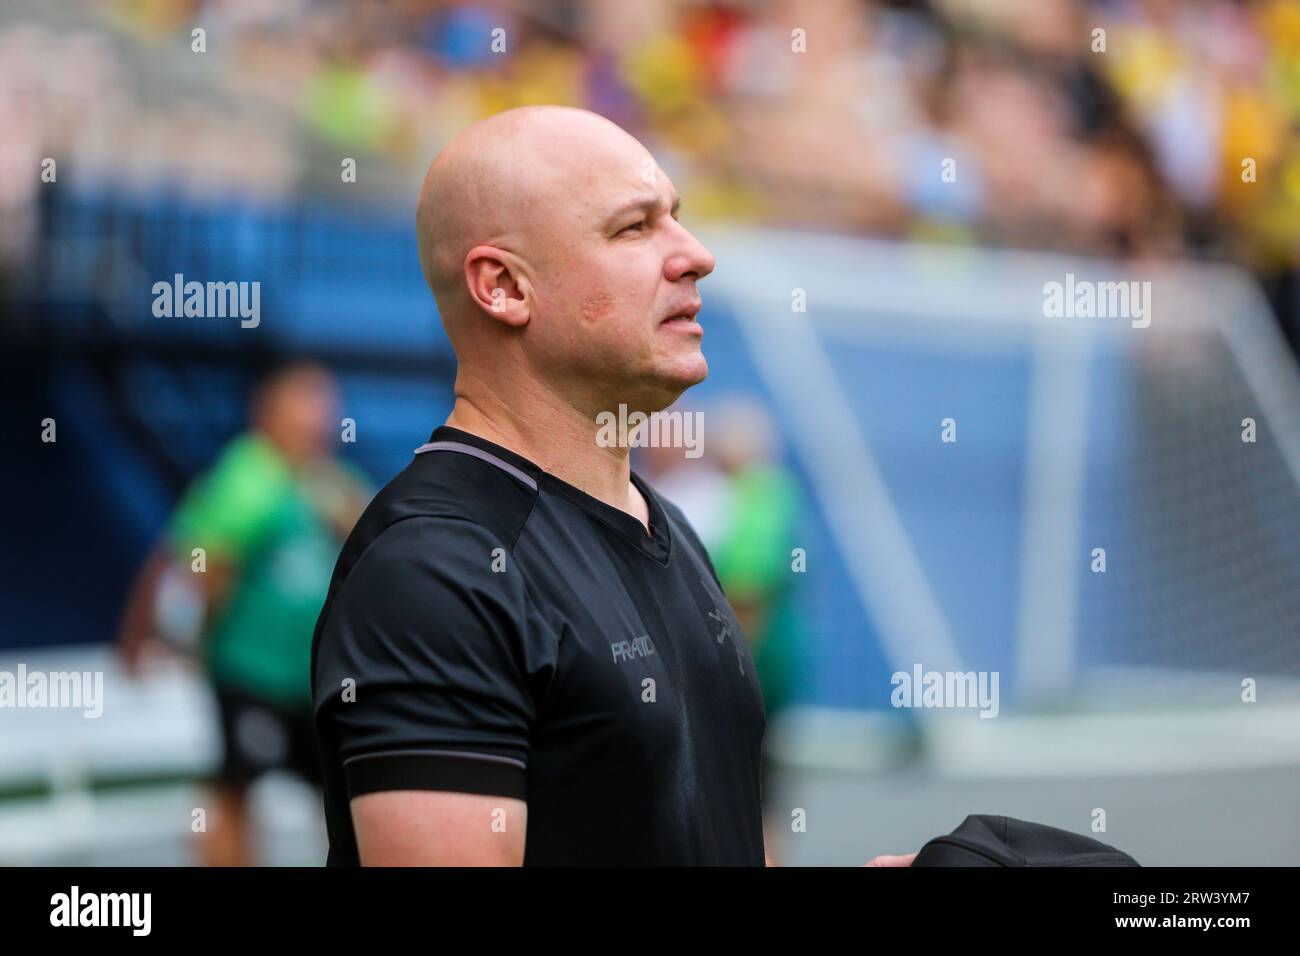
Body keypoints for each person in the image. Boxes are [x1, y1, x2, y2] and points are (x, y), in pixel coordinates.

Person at [311, 105, 915, 866]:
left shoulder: (668, 529)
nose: (695, 254)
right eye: (635, 228)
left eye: (678, 218)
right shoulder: (437, 569)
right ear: (503, 286)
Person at [117, 360, 371, 866]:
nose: (323, 415)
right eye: (308, 401)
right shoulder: (249, 475)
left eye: (326, 402)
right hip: (251, 671)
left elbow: (370, 534)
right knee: (238, 784)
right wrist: (173, 636)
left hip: (312, 677)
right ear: (269, 409)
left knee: (339, 785)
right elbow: (198, 561)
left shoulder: (323, 479)